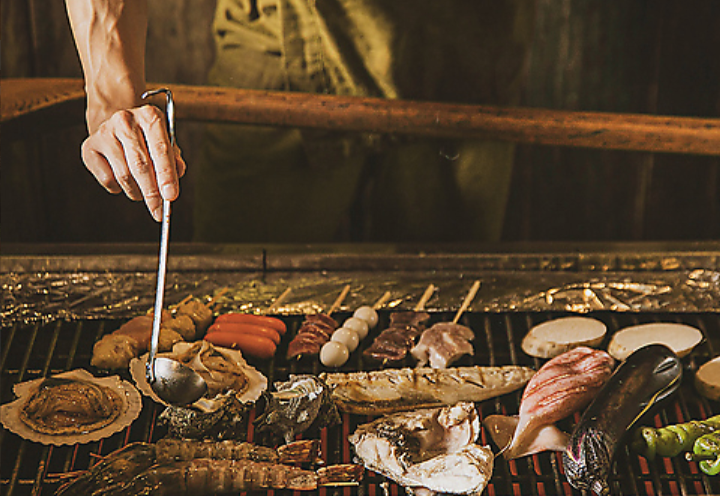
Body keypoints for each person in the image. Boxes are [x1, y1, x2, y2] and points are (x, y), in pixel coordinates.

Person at [65, 0, 536, 243]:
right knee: (238, 292)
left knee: (444, 297)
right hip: (285, 28)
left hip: (464, 41)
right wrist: (112, 88)